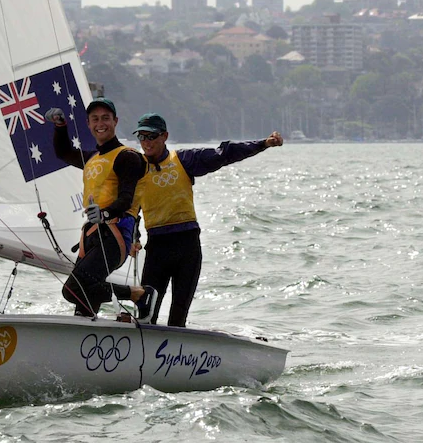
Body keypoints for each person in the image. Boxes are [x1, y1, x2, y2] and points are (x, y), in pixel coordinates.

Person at [132, 113, 283, 327]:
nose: (146, 142)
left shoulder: (183, 160)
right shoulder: (136, 170)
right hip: (157, 247)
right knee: (146, 313)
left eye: (151, 136)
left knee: (178, 315)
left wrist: (263, 144)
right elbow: (130, 212)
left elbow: (224, 153)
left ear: (164, 136)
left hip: (187, 247)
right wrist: (133, 237)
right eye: (141, 137)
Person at [45, 98, 158, 322]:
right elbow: (63, 152)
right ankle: (86, 335)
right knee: (82, 297)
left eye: (106, 118)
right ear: (88, 124)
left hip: (115, 235)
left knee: (72, 289)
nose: (100, 123)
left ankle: (139, 294)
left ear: (115, 121)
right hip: (92, 236)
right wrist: (60, 126)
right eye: (95, 119)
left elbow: (126, 198)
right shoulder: (91, 158)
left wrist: (105, 213)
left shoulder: (128, 156)